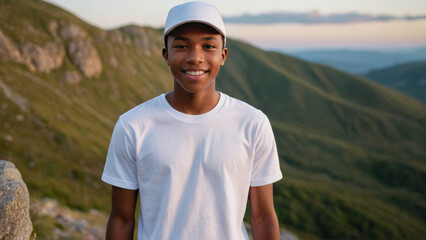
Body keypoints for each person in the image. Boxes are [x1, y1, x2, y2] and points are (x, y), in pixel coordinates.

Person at [101, 1, 282, 239]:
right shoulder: (133, 125)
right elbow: (121, 220)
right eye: (182, 46)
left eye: (208, 45)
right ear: (166, 56)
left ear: (223, 55)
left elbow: (263, 217)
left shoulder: (252, 124)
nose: (195, 57)